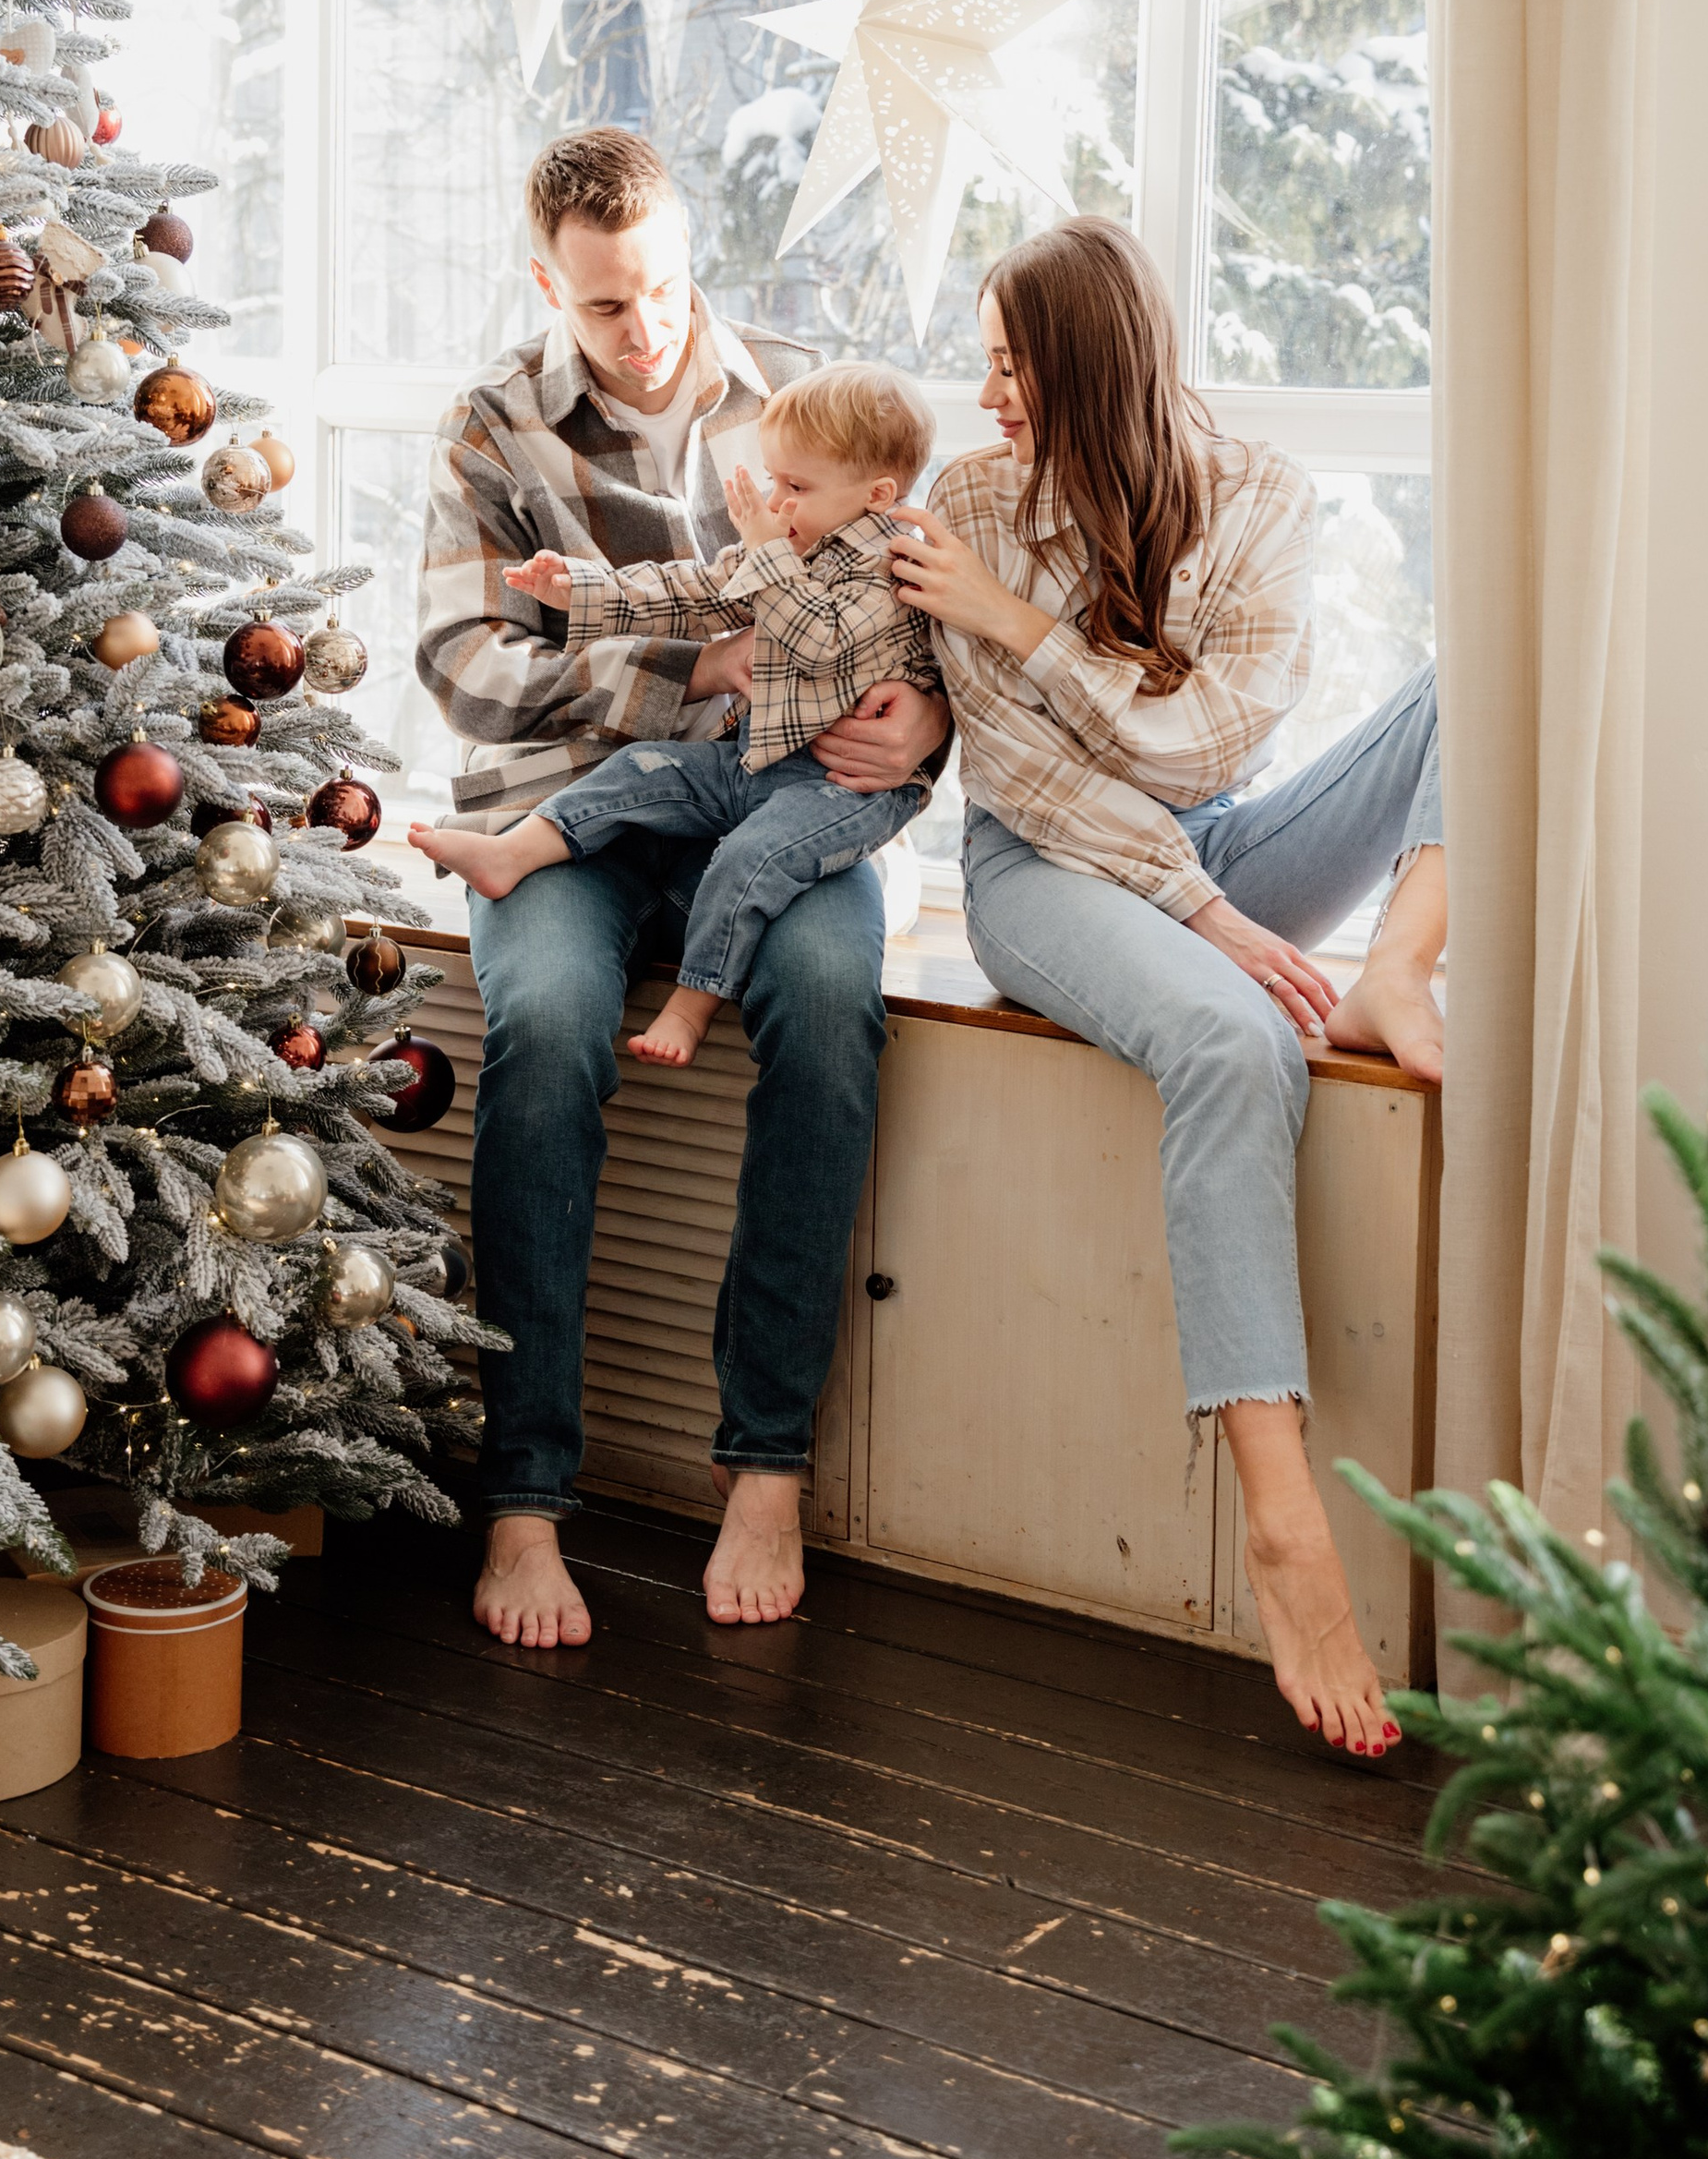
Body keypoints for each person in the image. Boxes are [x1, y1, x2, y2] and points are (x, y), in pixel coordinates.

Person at [885, 214, 1444, 1760]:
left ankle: (1400, 965)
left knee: (1474, 684)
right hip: (1041, 876)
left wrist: (1017, 625)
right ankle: (1282, 1520)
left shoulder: (1261, 495)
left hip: (1224, 847)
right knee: (1232, 1038)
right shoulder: (972, 504)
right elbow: (1025, 781)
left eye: (1013, 367)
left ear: (1092, 366)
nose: (988, 399)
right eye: (984, 364)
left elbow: (1206, 749)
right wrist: (1201, 910)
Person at [415, 128, 951, 1650]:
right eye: (603, 309)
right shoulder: (491, 431)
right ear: (546, 285)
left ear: (689, 246)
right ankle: (525, 1502)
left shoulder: (809, 401)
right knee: (553, 1028)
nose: (645, 331)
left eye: (659, 290)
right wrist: (685, 673)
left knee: (840, 999)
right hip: (566, 813)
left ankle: (763, 1466)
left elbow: (926, 616)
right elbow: (466, 669)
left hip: (784, 807)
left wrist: (927, 722)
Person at [412, 360, 940, 1069]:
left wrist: (764, 551)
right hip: (749, 762)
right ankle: (512, 852)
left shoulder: (891, 568)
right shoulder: (797, 540)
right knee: (638, 769)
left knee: (751, 863)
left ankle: (691, 1005)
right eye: (775, 482)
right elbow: (697, 589)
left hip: (834, 793)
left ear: (877, 494)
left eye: (795, 487)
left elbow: (821, 639)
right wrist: (583, 592)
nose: (777, 502)